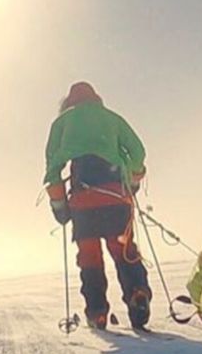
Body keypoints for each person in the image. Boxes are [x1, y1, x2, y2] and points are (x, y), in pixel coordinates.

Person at [44, 81, 152, 330]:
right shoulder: (112, 119)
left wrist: (59, 204)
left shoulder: (62, 123)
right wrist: (133, 180)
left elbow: (52, 167)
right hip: (115, 197)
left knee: (89, 257)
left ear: (69, 103)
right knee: (124, 250)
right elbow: (137, 152)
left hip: (83, 202)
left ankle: (97, 313)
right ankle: (137, 293)